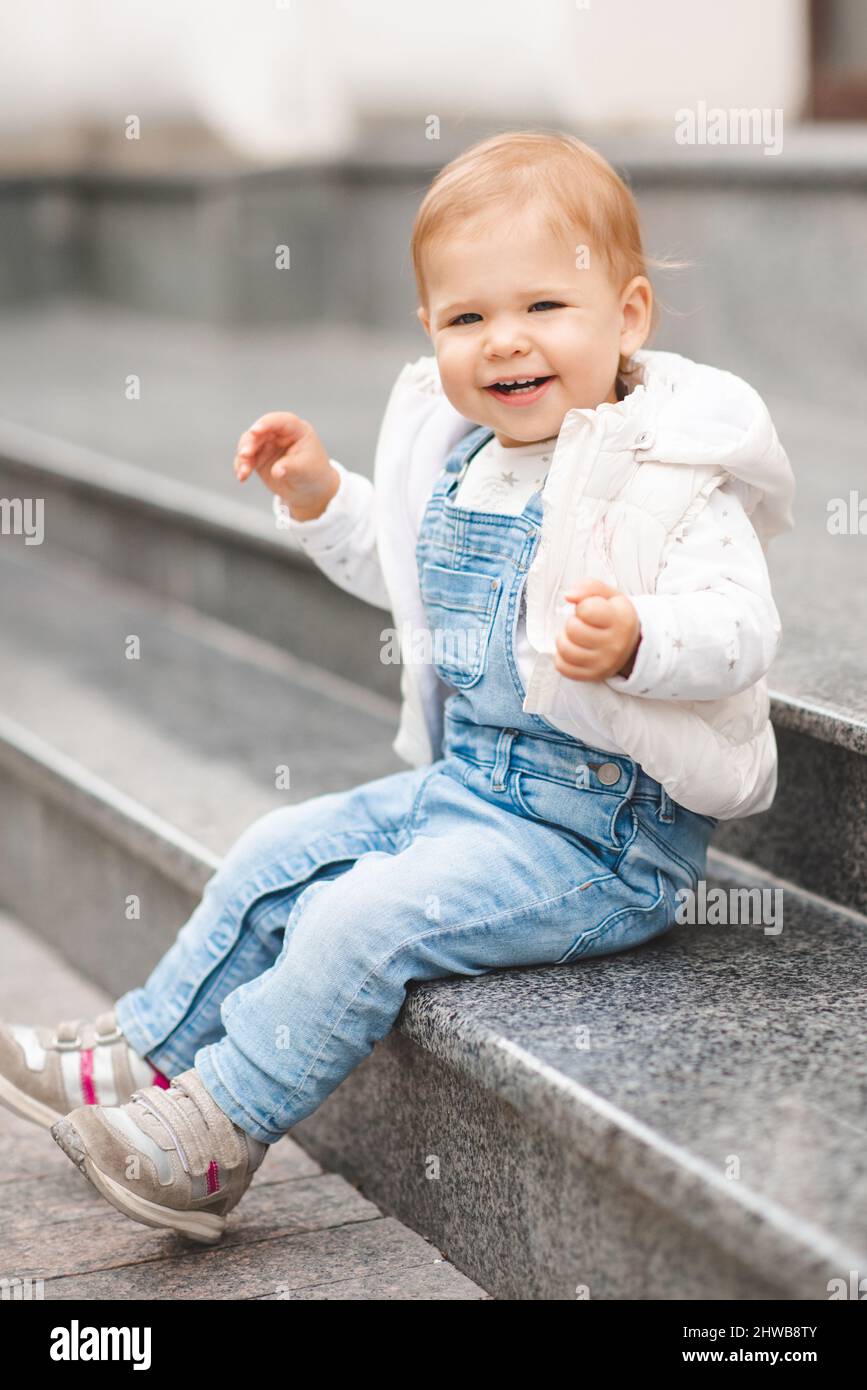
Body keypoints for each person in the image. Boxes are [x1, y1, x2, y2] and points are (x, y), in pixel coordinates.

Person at [0, 130, 795, 1245]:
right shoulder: (464, 456)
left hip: (597, 840)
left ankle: (217, 1131)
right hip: (471, 787)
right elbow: (406, 572)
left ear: (628, 319)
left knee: (361, 915)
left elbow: (743, 627)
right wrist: (322, 492)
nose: (504, 341)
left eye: (543, 309)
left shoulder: (663, 478)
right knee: (278, 848)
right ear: (430, 331)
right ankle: (144, 1045)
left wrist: (641, 640)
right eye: (467, 318)